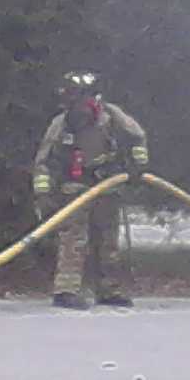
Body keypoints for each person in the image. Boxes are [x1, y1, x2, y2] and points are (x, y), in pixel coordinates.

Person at [32, 71, 149, 309]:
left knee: (107, 241)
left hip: (107, 186)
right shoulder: (61, 124)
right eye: (71, 101)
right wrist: (43, 194)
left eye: (80, 99)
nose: (77, 108)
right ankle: (66, 290)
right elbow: (43, 162)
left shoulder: (113, 117)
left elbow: (138, 138)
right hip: (74, 188)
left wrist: (138, 166)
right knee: (73, 239)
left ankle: (108, 289)